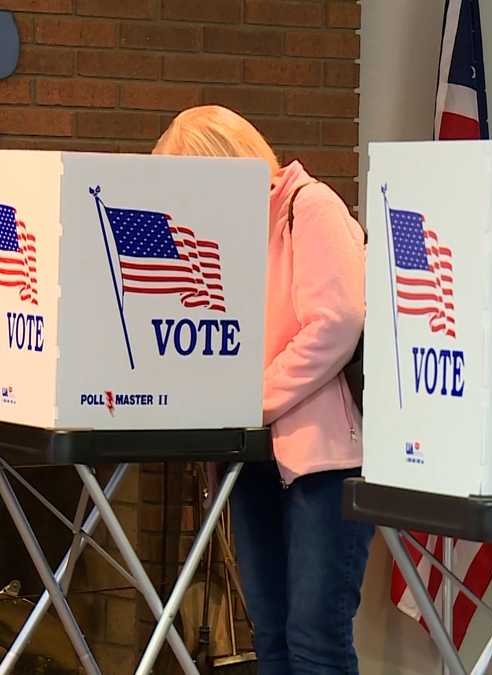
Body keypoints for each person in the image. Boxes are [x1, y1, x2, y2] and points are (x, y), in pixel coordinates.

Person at [152, 105, 372, 675]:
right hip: (250, 455)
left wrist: (248, 400)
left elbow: (337, 324)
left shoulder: (310, 206)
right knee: (270, 635)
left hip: (325, 460)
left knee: (315, 638)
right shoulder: (230, 234)